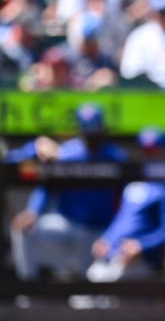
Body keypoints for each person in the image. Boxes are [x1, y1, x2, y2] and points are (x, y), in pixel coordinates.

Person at [10, 103, 128, 280]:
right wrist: (33, 211)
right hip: (68, 225)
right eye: (88, 132)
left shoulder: (116, 157)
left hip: (101, 233)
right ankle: (30, 288)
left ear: (103, 129)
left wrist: (115, 235)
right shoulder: (66, 153)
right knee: (25, 229)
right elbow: (46, 186)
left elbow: (127, 203)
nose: (92, 137)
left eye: (95, 131)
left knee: (92, 295)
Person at [86, 127, 165, 282]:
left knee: (107, 285)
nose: (149, 156)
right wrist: (105, 239)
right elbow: (121, 219)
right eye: (146, 151)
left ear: (164, 152)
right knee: (88, 286)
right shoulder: (131, 184)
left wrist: (141, 246)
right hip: (112, 255)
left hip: (140, 261)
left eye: (154, 151)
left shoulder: (164, 189)